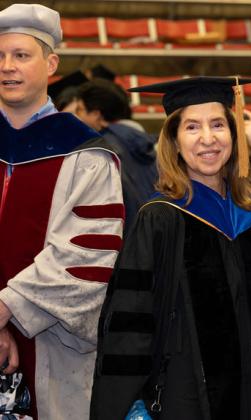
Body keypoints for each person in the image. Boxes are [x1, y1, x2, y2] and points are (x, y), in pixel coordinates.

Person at [90, 76, 251, 419]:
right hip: (183, 395)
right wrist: (130, 402)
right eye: (192, 127)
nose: (208, 138)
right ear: (173, 140)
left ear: (234, 134)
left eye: (218, 124)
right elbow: (131, 322)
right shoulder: (159, 219)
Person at [0, 4, 124, 419]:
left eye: (21, 55)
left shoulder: (86, 154)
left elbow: (84, 257)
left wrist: (5, 312)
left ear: (51, 62)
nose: (7, 67)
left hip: (52, 350)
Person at [75, 79, 158, 233]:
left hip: (124, 246)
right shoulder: (154, 147)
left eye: (79, 110)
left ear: (96, 115)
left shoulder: (100, 152)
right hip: (156, 240)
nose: (76, 116)